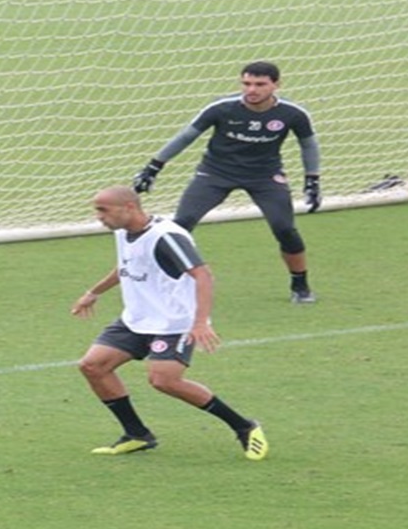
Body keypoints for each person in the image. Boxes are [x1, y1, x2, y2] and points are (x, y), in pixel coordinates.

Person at [71, 187, 268, 460]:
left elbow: (203, 275)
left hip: (174, 322)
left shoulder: (166, 237)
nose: (98, 216)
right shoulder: (122, 231)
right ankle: (137, 434)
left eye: (103, 210)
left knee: (164, 381)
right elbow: (128, 265)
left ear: (129, 207)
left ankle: (244, 426)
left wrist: (200, 322)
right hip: (137, 318)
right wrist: (93, 293)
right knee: (92, 366)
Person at [132, 61, 321, 304]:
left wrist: (312, 180)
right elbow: (186, 136)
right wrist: (153, 167)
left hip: (264, 176)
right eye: (246, 83)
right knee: (180, 225)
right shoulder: (221, 108)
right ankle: (156, 280)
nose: (251, 90)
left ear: (276, 85)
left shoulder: (293, 113)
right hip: (215, 173)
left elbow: (309, 145)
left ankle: (300, 284)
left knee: (285, 229)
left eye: (260, 84)